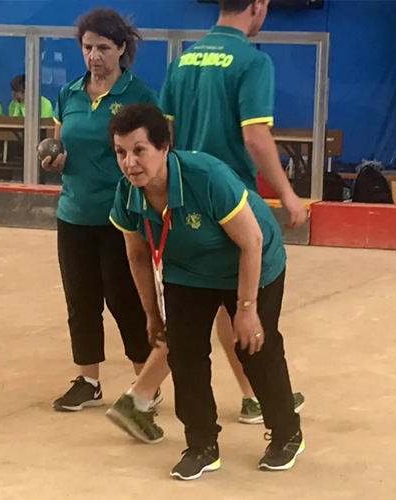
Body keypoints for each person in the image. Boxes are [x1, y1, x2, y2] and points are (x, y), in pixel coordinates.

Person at [108, 0, 305, 431]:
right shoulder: (252, 61)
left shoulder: (182, 62)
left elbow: (166, 136)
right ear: (258, 5)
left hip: (175, 197)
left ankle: (251, 395)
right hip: (226, 197)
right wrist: (289, 194)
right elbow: (255, 137)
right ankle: (140, 396)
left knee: (206, 309)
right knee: (224, 304)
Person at [108, 102, 304, 480]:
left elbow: (251, 241)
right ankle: (201, 445)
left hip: (252, 262)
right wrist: (152, 313)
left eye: (139, 150)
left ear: (164, 148)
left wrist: (246, 310)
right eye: (121, 152)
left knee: (254, 348)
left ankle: (286, 434)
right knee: (184, 353)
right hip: (188, 270)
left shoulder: (206, 177)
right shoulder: (127, 193)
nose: (130, 163)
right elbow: (136, 254)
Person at [40, 8, 161, 418]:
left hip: (121, 216)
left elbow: (154, 156)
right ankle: (88, 381)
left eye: (104, 48)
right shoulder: (69, 94)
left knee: (125, 299)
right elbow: (61, 143)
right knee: (81, 299)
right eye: (88, 47)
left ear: (122, 49)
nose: (94, 56)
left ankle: (145, 382)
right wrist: (56, 160)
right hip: (73, 212)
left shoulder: (140, 95)